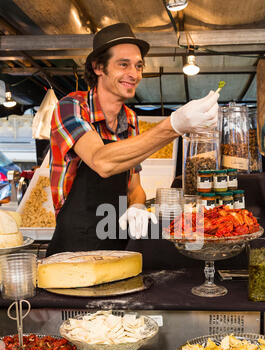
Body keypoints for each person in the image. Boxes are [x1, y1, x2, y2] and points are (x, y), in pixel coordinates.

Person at [47, 22, 219, 255]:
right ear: (98, 67)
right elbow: (102, 162)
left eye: (138, 66)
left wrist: (138, 205)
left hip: (116, 244)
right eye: (123, 64)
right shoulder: (71, 107)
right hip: (72, 248)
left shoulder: (130, 119)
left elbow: (134, 187)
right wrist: (174, 125)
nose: (134, 74)